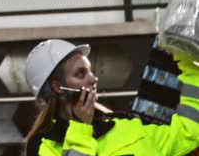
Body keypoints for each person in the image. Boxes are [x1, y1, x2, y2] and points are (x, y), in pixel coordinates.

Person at [23, 39, 199, 155]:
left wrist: (188, 63)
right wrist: (80, 128)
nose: (93, 79)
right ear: (57, 87)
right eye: (80, 73)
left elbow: (188, 133)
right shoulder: (44, 146)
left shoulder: (127, 125)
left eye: (91, 71)